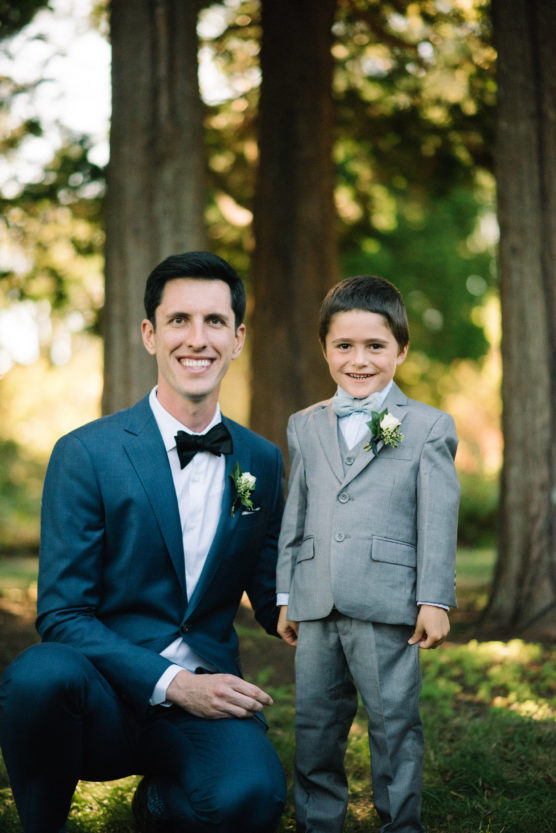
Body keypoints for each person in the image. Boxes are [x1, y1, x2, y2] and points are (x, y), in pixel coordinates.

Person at [0, 252, 287, 833]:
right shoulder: (86, 453)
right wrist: (173, 683)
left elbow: (272, 591)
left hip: (206, 699)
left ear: (237, 339)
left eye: (215, 321)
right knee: (37, 676)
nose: (197, 338)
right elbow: (61, 614)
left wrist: (365, 595)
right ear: (150, 335)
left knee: (252, 801)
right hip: (101, 697)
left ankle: (157, 806)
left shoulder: (261, 459)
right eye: (179, 320)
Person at [276, 275, 460, 833]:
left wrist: (434, 599)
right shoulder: (304, 424)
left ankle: (400, 823)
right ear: (325, 350)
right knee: (315, 726)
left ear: (400, 350)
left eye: (375, 346)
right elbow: (296, 513)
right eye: (344, 346)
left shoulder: (427, 426)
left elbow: (437, 518)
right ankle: (318, 822)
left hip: (387, 601)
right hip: (316, 600)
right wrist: (285, 595)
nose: (359, 360)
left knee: (392, 723)